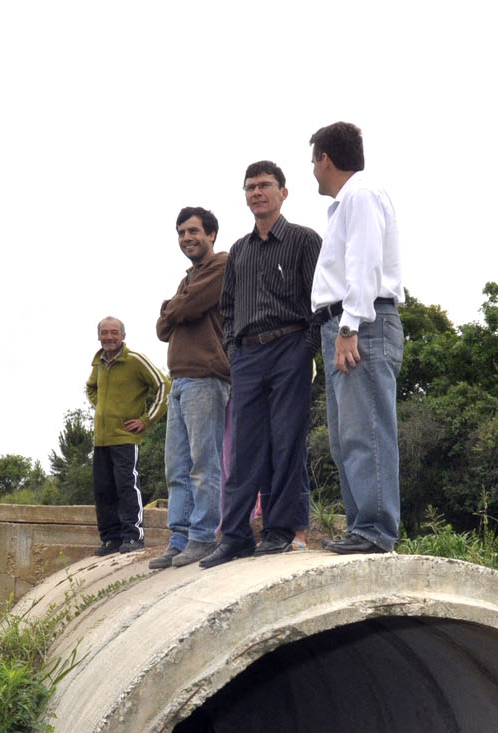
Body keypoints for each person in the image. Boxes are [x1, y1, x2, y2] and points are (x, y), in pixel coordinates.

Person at [198, 161, 322, 568]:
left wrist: (307, 348)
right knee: (244, 449)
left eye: (265, 185)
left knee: (286, 442)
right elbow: (228, 307)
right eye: (250, 187)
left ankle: (279, 531)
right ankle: (235, 537)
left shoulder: (304, 240)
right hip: (247, 355)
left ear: (283, 192)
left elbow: (320, 299)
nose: (257, 192)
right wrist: (233, 349)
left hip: (290, 347)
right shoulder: (239, 251)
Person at [309, 121, 404, 555]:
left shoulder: (361, 196)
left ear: (325, 160)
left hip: (361, 323)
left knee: (367, 431)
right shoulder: (347, 203)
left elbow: (364, 263)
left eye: (314, 161)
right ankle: (361, 527)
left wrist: (349, 327)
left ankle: (375, 531)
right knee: (346, 438)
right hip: (343, 324)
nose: (313, 170)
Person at [151, 207, 230, 570]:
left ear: (211, 234)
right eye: (181, 233)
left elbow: (187, 309)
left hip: (206, 377)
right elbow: (162, 328)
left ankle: (203, 536)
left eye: (193, 231)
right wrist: (174, 308)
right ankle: (179, 538)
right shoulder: (189, 277)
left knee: (203, 463)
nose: (187, 238)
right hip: (180, 379)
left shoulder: (221, 265)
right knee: (177, 467)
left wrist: (172, 308)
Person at [84, 316, 166, 555]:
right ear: (98, 336)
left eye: (114, 332)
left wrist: (146, 420)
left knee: (127, 485)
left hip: (125, 437)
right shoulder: (98, 363)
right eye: (104, 332)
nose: (109, 337)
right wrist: (101, 407)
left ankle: (133, 536)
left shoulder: (135, 360)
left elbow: (164, 385)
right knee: (103, 489)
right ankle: (111, 539)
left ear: (123, 335)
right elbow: (90, 387)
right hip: (102, 437)